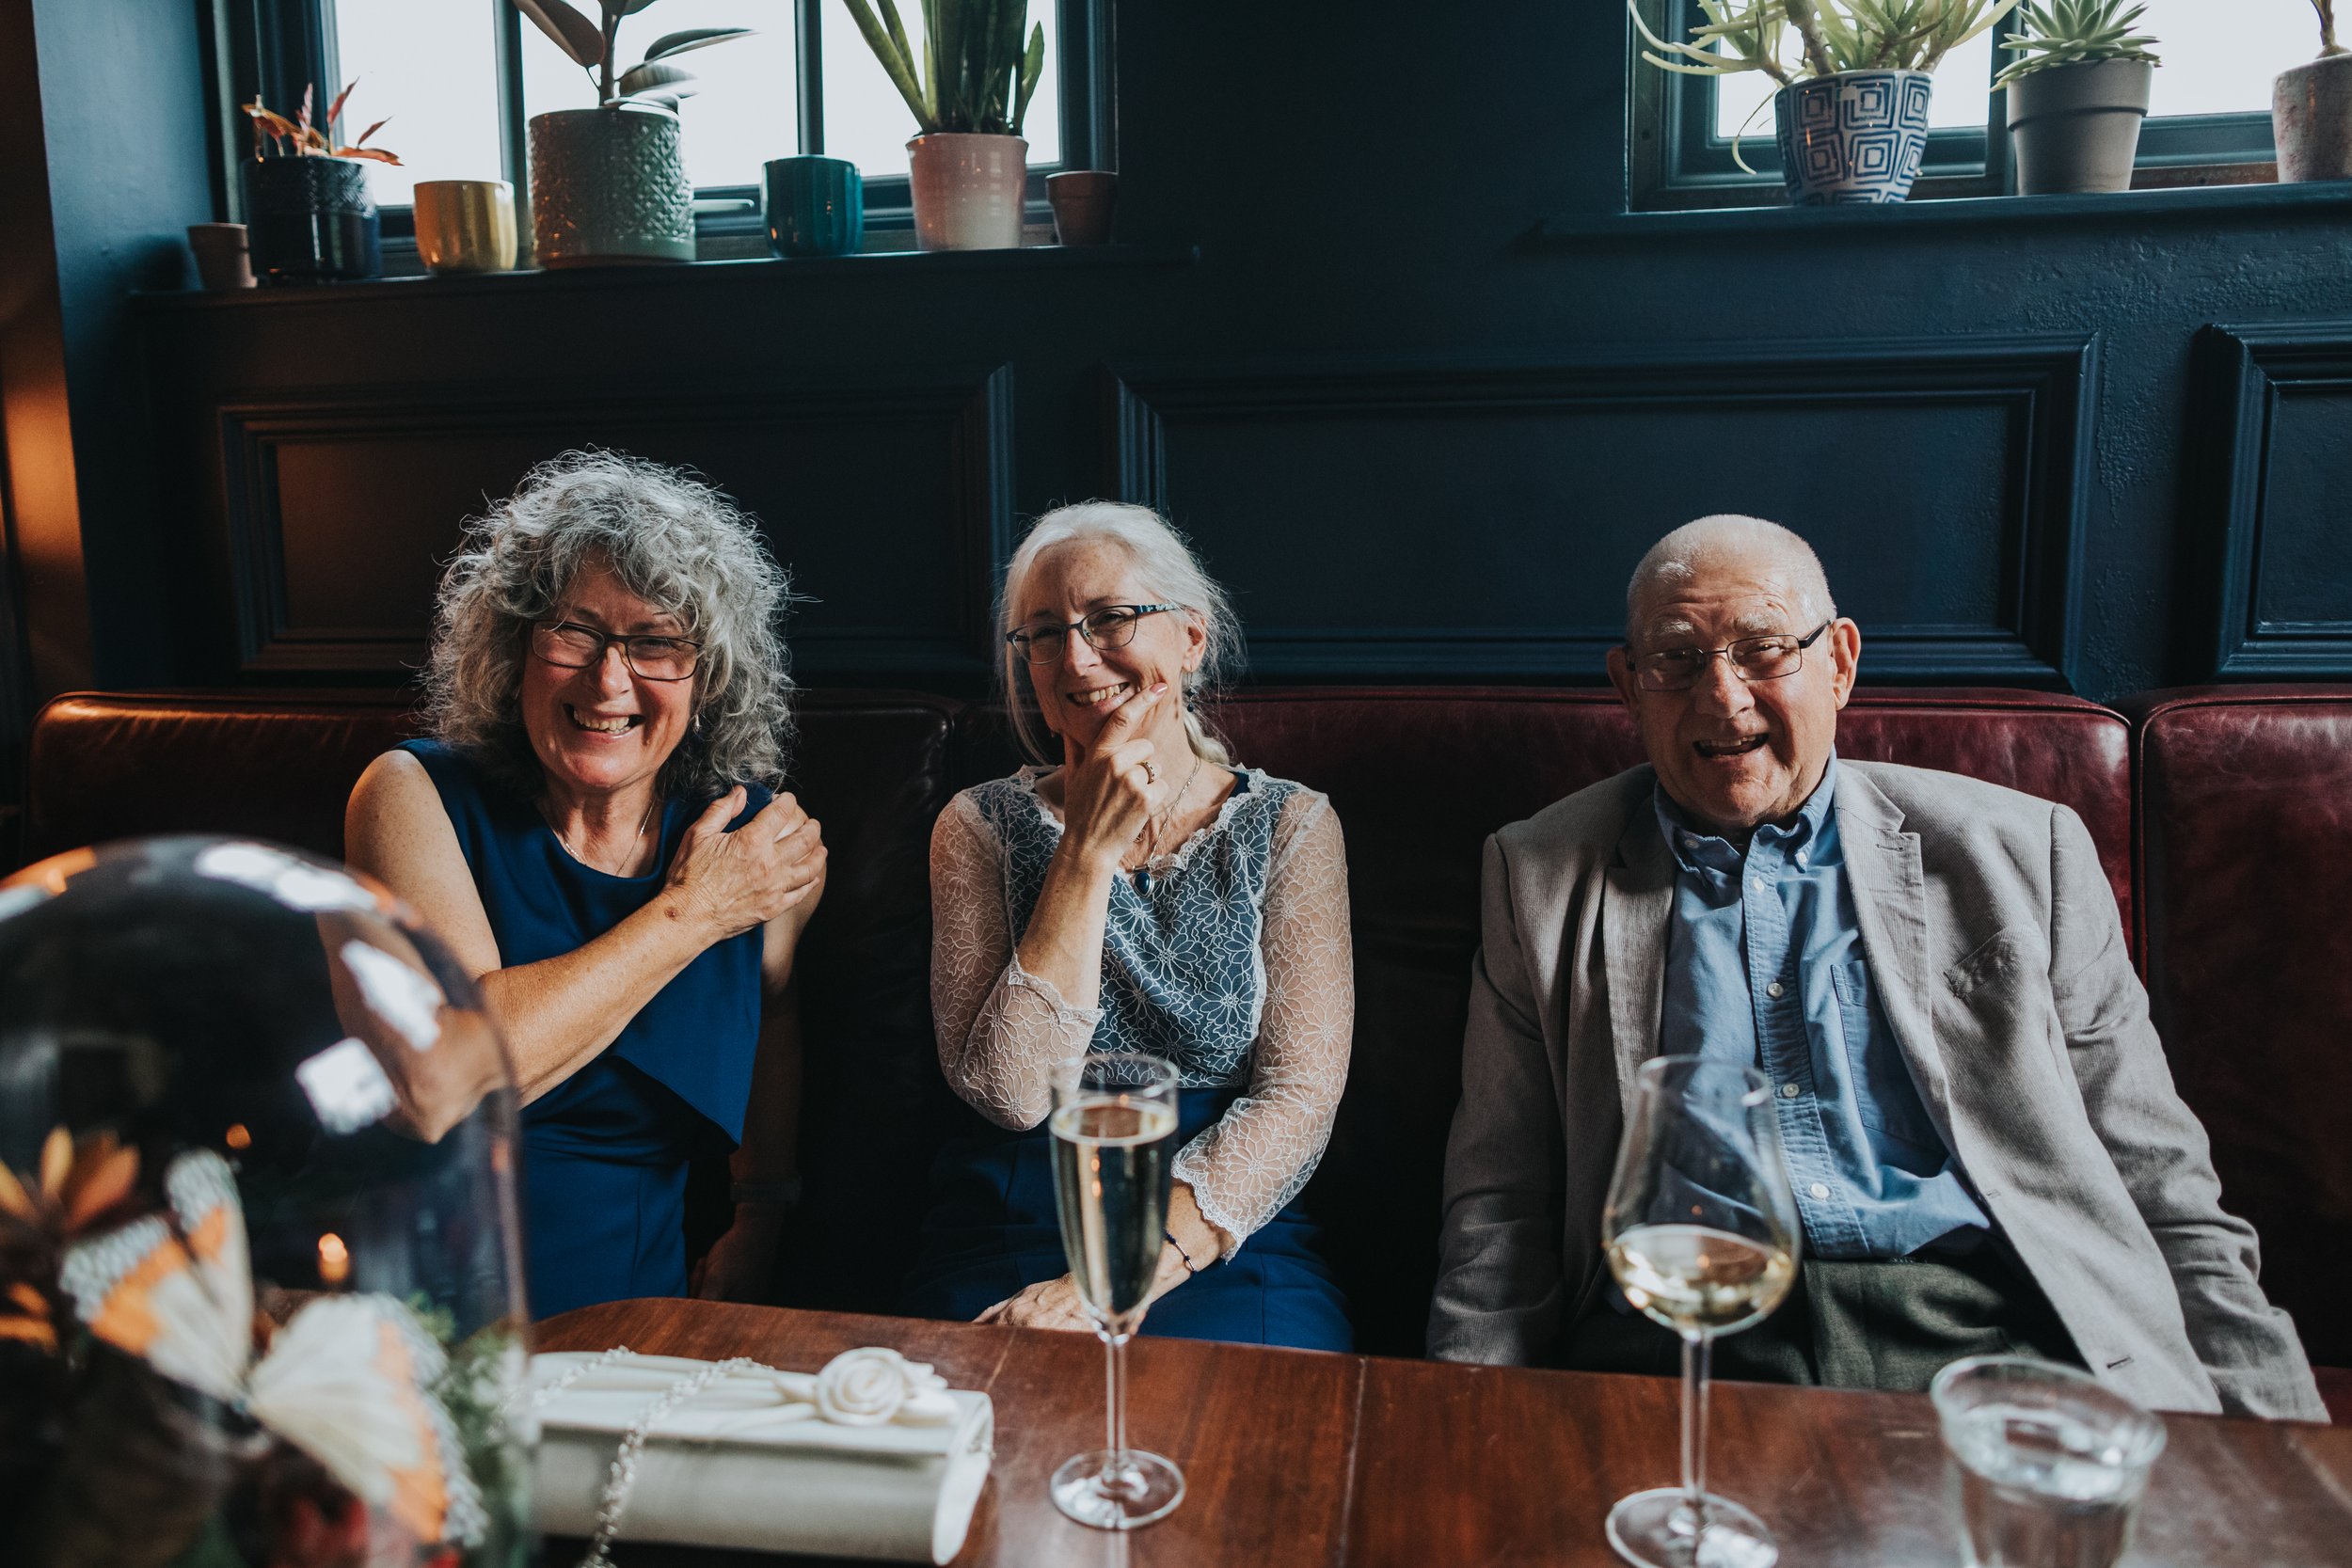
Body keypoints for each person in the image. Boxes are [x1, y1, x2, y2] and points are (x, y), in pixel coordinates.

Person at [1428, 514, 2325, 1419]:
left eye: (1762, 649)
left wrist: (2276, 1449)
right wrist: (1469, 1434)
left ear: (1841, 662)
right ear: (1629, 684)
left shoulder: (2025, 853)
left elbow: (2158, 1179)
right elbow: (1499, 1209)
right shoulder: (1536, 873)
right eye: (1677, 659)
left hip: (1981, 1339)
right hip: (1676, 1344)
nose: (1723, 698)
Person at [346, 451, 825, 1318]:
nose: (609, 680)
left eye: (656, 643)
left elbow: (776, 1013)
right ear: (514, 643)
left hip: (632, 1317)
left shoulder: (756, 846)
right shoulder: (409, 797)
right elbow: (438, 1083)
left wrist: (760, 1214)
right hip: (419, 1307)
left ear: (707, 676)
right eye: (574, 631)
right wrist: (690, 913)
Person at [902, 501, 1356, 1351]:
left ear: (1190, 638)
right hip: (1017, 1208)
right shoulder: (976, 827)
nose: (1075, 659)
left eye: (1110, 619)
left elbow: (1299, 1099)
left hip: (1221, 1223)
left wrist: (1114, 1273)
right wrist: (1085, 853)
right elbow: (1010, 1092)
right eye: (1043, 634)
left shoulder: (1293, 825)